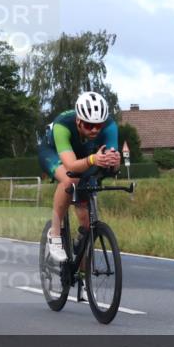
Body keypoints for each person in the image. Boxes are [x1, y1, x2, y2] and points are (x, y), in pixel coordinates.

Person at [37, 91, 121, 262]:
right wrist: (93, 159)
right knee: (71, 179)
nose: (95, 130)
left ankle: (83, 280)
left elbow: (112, 166)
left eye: (99, 125)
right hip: (53, 152)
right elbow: (71, 166)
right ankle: (55, 233)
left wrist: (115, 161)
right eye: (89, 125)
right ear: (78, 121)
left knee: (86, 223)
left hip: (85, 155)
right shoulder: (63, 125)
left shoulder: (110, 126)